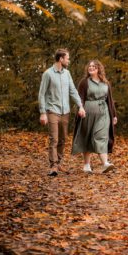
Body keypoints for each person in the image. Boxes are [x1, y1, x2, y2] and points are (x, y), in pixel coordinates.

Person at [38, 48, 86, 176]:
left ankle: (58, 163)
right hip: (52, 110)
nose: (68, 60)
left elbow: (73, 91)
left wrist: (80, 106)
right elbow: (41, 94)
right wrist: (43, 112)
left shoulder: (67, 74)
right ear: (61, 59)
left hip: (65, 112)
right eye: (67, 58)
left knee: (63, 139)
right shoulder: (48, 74)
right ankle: (53, 166)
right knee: (54, 138)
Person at [72, 59, 117, 173]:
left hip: (104, 113)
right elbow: (80, 97)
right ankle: (87, 165)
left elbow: (110, 100)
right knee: (87, 136)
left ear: (99, 69)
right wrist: (80, 108)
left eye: (94, 66)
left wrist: (114, 115)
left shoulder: (105, 83)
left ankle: (105, 163)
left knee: (101, 136)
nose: (91, 68)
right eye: (90, 66)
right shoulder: (84, 82)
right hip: (88, 112)